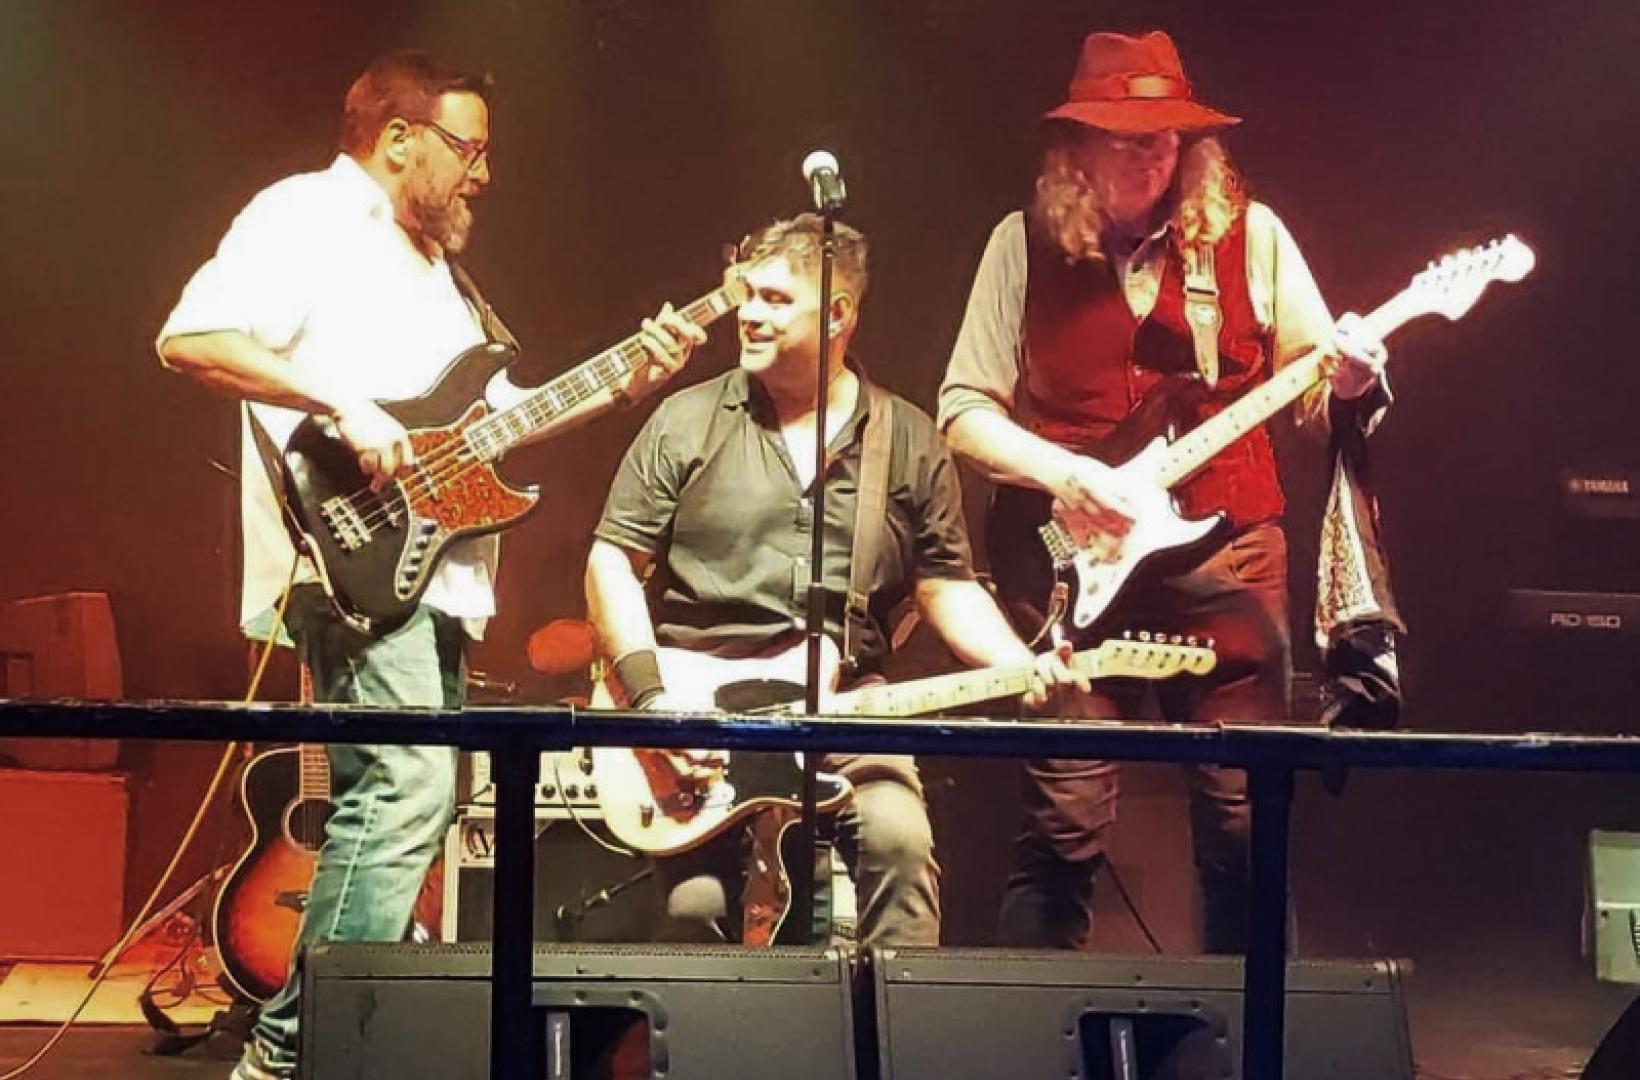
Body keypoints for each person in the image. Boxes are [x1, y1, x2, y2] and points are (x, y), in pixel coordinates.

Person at [156, 50, 702, 1080]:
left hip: (432, 577)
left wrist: (622, 383)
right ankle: (290, 1057)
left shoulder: (442, 276)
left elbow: (488, 427)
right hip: (356, 566)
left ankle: (318, 1048)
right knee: (403, 790)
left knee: (408, 796)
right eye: (468, 148)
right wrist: (342, 403)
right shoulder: (308, 215)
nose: (483, 174)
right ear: (398, 138)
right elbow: (191, 338)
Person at [937, 30, 1390, 954]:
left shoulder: (1254, 238)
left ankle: (1258, 1023)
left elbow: (1313, 390)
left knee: (1247, 822)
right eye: (1126, 138)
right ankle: (1030, 1023)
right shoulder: (1018, 245)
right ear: (1077, 148)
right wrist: (1064, 471)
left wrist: (1350, 381)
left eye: (1166, 137)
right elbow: (962, 410)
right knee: (1061, 826)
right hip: (1072, 567)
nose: (1151, 155)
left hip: (1230, 556)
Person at [586, 214, 1085, 947]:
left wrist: (1020, 663)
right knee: (697, 911)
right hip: (699, 717)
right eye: (746, 294)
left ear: (838, 314)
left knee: (901, 850)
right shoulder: (685, 422)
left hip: (846, 707)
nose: (749, 314)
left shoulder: (905, 438)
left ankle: (890, 1018)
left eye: (775, 300)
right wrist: (654, 706)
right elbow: (612, 563)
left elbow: (945, 585)